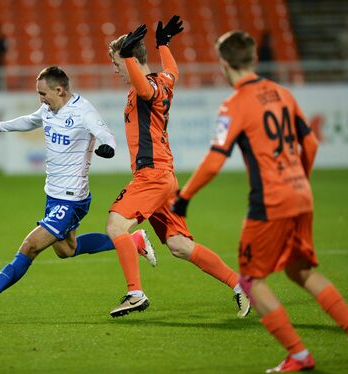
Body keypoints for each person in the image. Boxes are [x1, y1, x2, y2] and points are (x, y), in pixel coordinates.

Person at [171, 31, 348, 372]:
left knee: (251, 281)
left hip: (270, 202)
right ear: (254, 59)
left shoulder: (234, 105)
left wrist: (185, 196)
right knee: (301, 270)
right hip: (301, 194)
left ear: (223, 65)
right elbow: (310, 145)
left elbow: (215, 158)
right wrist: (299, 181)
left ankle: (298, 354)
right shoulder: (282, 94)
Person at [0, 66, 157, 316]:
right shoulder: (48, 109)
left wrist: (107, 147)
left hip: (71, 200)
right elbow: (30, 120)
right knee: (67, 250)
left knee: (29, 247)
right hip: (53, 196)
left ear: (60, 90)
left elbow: (106, 134)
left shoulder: (83, 111)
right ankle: (133, 240)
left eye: (43, 94)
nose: (40, 99)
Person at [105, 16, 250, 319]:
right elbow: (173, 70)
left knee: (116, 225)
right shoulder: (165, 80)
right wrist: (163, 44)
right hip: (164, 176)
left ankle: (135, 293)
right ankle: (239, 284)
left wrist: (130, 57)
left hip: (153, 176)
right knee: (179, 245)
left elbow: (144, 89)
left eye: (118, 64)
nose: (118, 71)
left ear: (131, 59)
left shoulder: (147, 89)